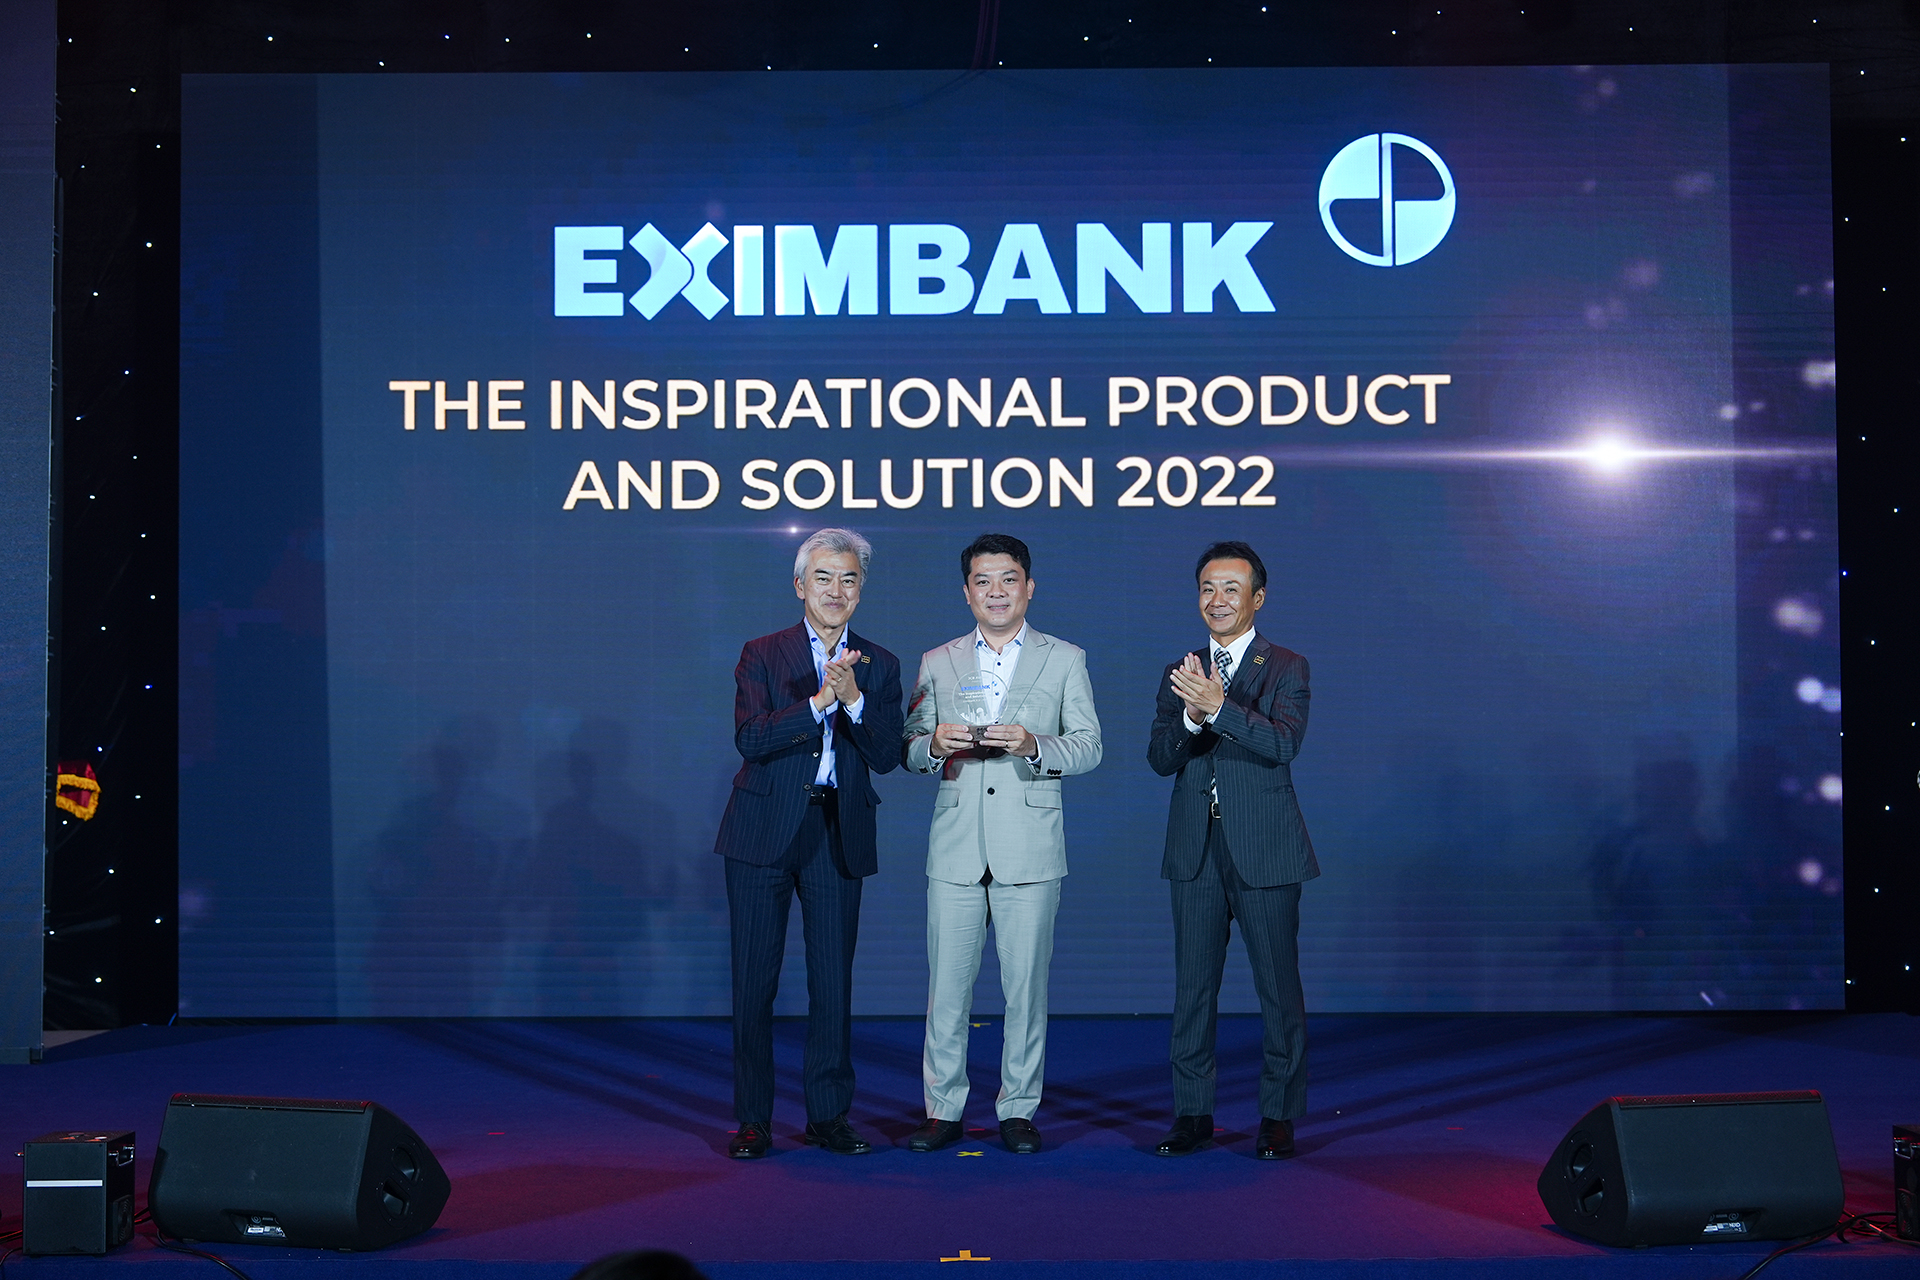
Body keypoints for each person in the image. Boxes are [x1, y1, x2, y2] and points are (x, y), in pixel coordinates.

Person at [901, 533, 1102, 1154]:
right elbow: (910, 746)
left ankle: (1018, 1109)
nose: (996, 591)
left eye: (1008, 579)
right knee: (946, 991)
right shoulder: (938, 660)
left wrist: (1035, 745)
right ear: (967, 592)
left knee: (1026, 991)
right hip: (955, 847)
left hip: (1031, 847)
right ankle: (942, 1109)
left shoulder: (1065, 658)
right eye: (983, 581)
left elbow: (1089, 746)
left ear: (1029, 587)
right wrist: (935, 745)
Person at [712, 528, 904, 1158]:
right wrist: (820, 702)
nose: (836, 590)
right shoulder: (762, 653)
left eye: (849, 579)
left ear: (861, 591)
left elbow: (886, 755)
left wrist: (854, 702)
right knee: (754, 984)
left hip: (835, 832)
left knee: (832, 983)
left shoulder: (880, 664)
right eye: (823, 577)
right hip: (761, 832)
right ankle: (753, 1120)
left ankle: (828, 1116)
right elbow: (751, 738)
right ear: (800, 585)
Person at [1147, 540, 1317, 1160]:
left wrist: (1218, 707)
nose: (1217, 601)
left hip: (1265, 849)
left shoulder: (1286, 666)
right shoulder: (1182, 669)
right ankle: (1192, 1113)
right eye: (1207, 589)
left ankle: (1279, 1115)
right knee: (1193, 989)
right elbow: (1159, 758)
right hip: (1195, 848)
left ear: (1257, 598)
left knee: (1278, 988)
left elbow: (1283, 744)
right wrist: (1191, 719)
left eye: (1231, 589)